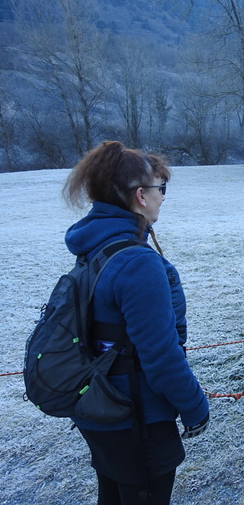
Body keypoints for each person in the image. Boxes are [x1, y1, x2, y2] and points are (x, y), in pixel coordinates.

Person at [62, 140, 210, 505]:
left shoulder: (94, 246)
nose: (163, 197)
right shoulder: (136, 262)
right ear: (141, 196)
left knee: (114, 494)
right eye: (161, 188)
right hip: (136, 417)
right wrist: (195, 408)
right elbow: (160, 356)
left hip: (99, 407)